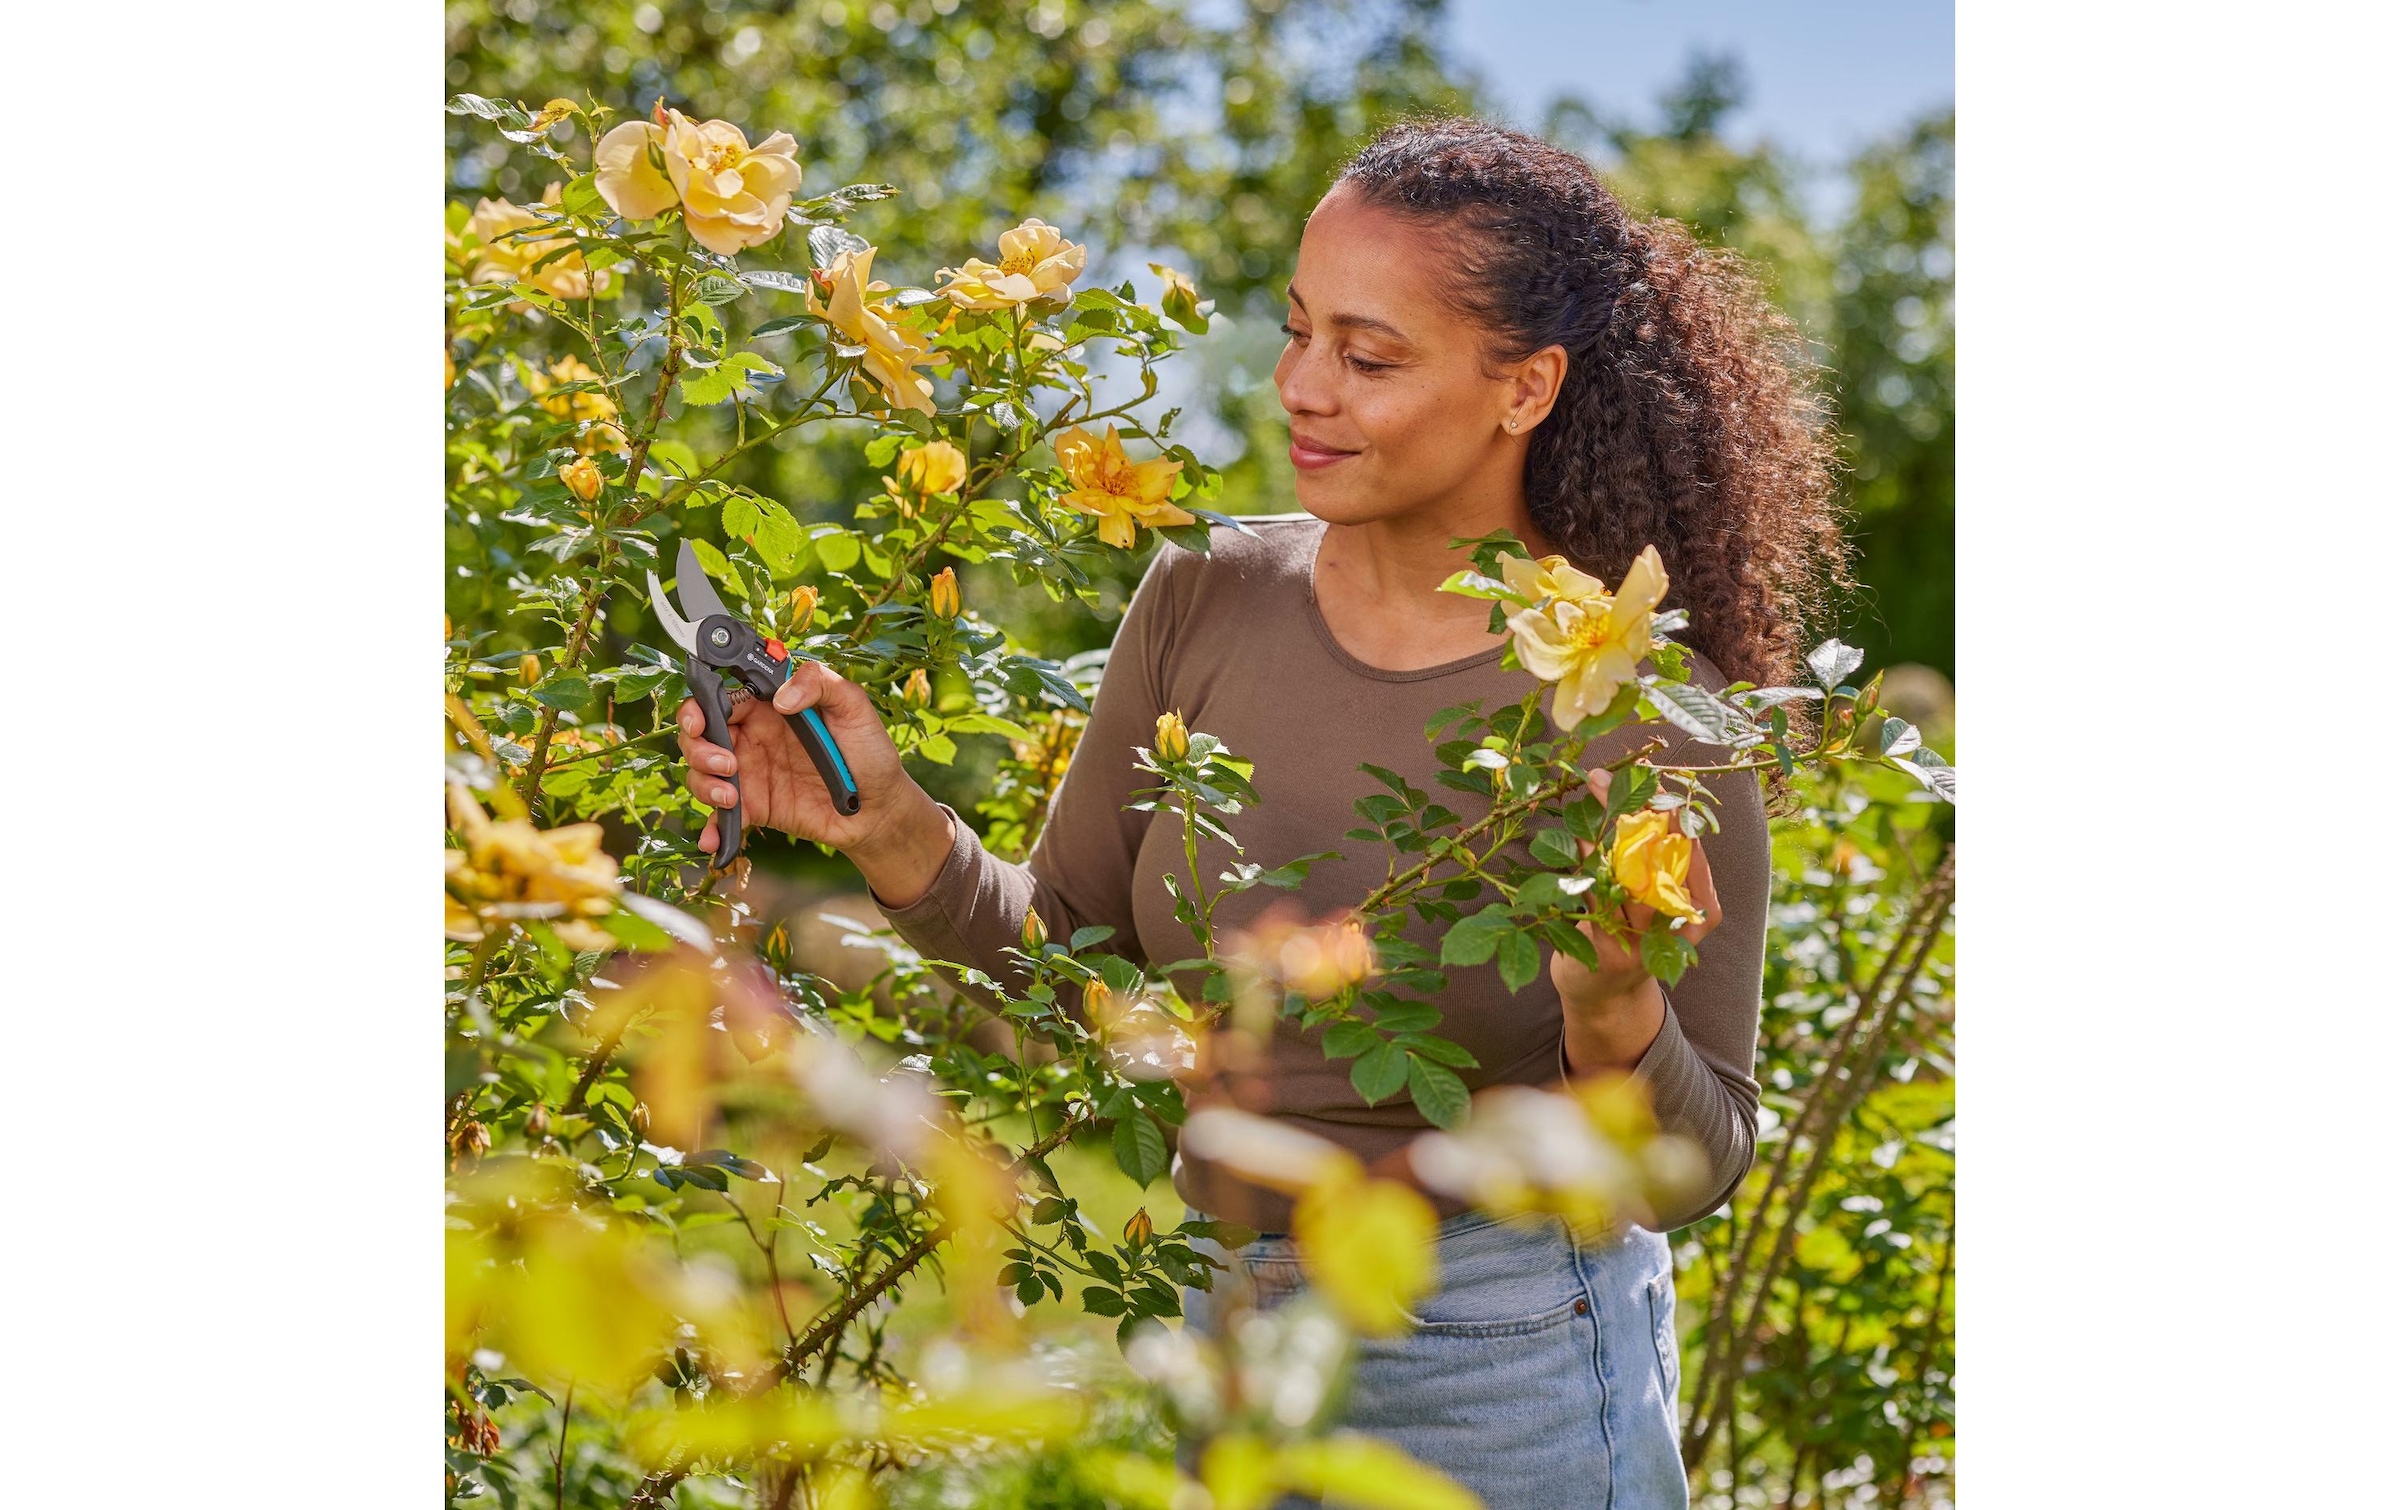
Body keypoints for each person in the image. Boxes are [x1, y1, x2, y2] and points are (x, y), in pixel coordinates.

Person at [675, 117, 1844, 1509]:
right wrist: (886, 823)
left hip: (1505, 1366)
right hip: (1223, 1329)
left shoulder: (1646, 709)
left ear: (1526, 386)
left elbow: (1691, 1170)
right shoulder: (1206, 592)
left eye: (1369, 357)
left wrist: (1613, 1012)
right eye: (1298, 331)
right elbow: (1069, 959)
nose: (1300, 387)